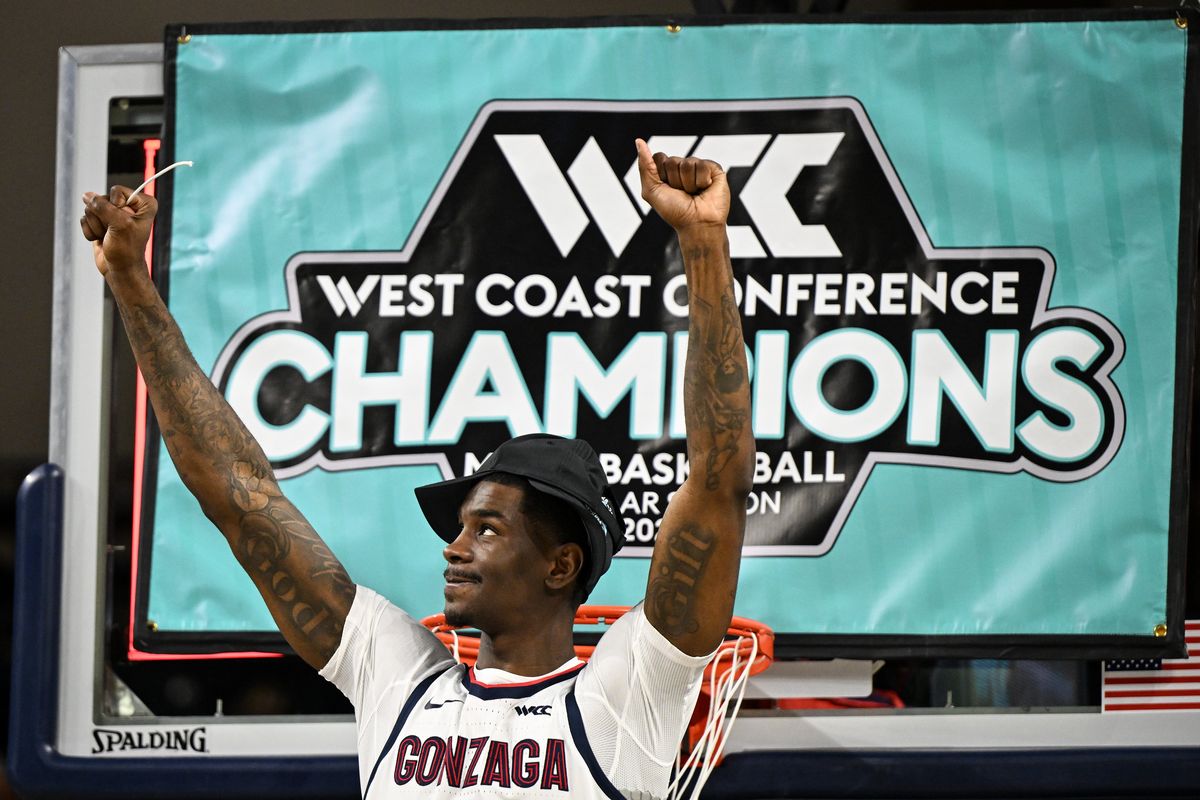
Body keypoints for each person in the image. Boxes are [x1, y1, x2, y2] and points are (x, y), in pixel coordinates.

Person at [80, 138, 753, 798]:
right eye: (461, 528)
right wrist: (132, 285)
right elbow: (236, 492)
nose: (454, 548)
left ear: (560, 564)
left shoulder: (623, 695)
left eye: (487, 528)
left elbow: (719, 479)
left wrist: (701, 242)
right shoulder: (399, 675)